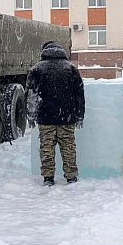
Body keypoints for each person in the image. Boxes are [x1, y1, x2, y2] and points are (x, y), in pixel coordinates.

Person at [26, 41, 85, 186]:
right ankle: (71, 177)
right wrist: (79, 115)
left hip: (45, 117)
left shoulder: (37, 69)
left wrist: (31, 114)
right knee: (68, 147)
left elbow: (31, 94)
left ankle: (48, 178)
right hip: (67, 116)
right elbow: (79, 94)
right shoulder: (71, 68)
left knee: (47, 148)